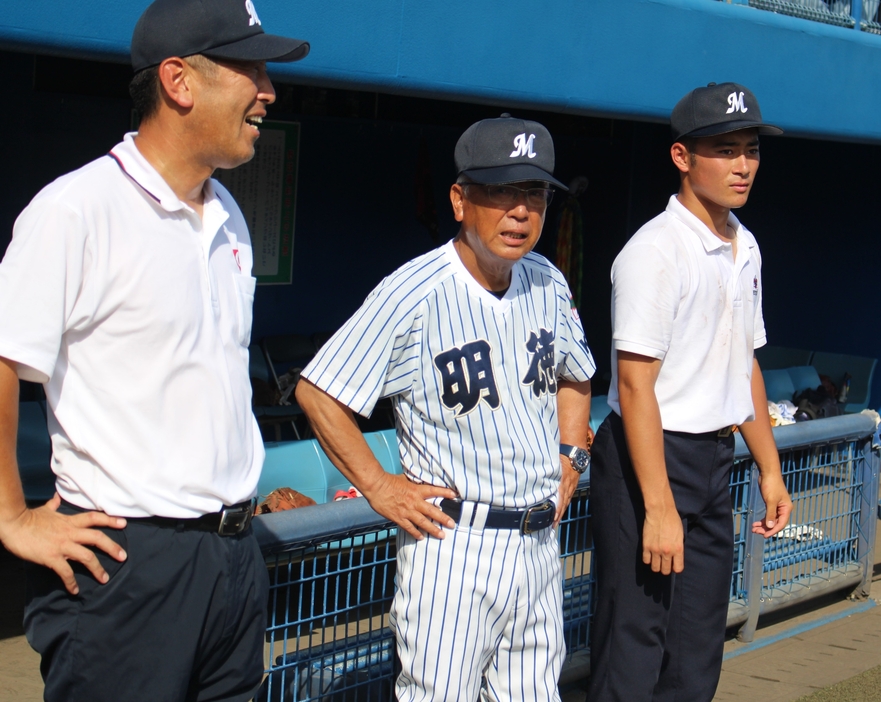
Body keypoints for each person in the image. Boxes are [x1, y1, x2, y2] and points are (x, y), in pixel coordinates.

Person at [0, 1, 309, 699]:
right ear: (179, 80)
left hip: (232, 557)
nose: (268, 92)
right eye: (251, 70)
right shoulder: (77, 209)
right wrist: (11, 517)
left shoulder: (227, 213)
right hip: (127, 566)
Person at [296, 114, 596, 702]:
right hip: (454, 546)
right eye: (502, 191)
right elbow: (319, 391)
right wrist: (380, 487)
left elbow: (576, 375)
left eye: (533, 193)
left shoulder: (547, 280)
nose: (520, 211)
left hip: (537, 543)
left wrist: (571, 455)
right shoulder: (412, 291)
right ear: (460, 200)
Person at [586, 82, 794, 702]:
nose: (742, 165)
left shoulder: (745, 243)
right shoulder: (654, 250)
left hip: (712, 459)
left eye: (751, 149)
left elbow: (745, 363)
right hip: (648, 459)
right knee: (634, 645)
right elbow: (634, 384)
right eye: (725, 149)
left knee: (698, 647)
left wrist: (771, 469)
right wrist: (658, 507)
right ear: (682, 158)